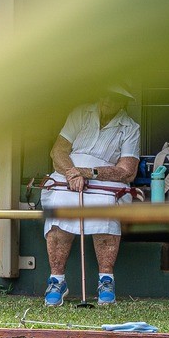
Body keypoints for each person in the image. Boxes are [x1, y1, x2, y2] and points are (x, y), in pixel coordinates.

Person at [39, 84, 141, 307]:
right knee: (59, 204)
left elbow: (127, 171)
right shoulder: (80, 113)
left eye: (115, 97)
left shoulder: (130, 127)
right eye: (104, 93)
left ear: (123, 102)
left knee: (104, 207)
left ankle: (106, 281)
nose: (107, 99)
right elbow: (58, 151)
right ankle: (57, 281)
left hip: (105, 183)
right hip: (68, 178)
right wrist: (71, 173)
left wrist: (89, 172)